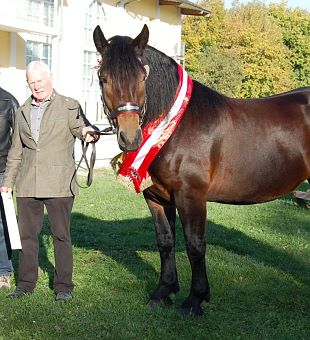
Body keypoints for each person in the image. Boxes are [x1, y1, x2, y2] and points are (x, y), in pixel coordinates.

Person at [0, 60, 99, 301]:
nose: (37, 86)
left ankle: (63, 286)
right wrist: (8, 183)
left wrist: (88, 133)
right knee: (26, 238)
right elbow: (16, 151)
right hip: (28, 185)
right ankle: (25, 284)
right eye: (32, 82)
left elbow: (81, 128)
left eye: (40, 81)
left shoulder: (69, 106)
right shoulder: (22, 110)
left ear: (50, 78)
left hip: (59, 183)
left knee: (61, 236)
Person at [0, 86, 19, 289]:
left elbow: (17, 140)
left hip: (1, 170)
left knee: (2, 222)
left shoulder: (8, 101)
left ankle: (3, 271)